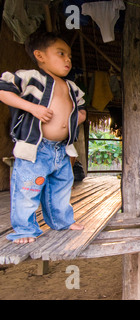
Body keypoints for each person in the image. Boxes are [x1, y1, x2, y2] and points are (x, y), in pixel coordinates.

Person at [0, 32, 86, 244]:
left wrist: (75, 119)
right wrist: (32, 108)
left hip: (61, 149)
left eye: (69, 56)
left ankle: (62, 221)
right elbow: (3, 91)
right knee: (28, 188)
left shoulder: (71, 87)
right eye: (61, 53)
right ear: (40, 55)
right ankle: (25, 229)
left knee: (61, 187)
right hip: (36, 147)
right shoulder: (31, 77)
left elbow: (81, 111)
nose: (68, 59)